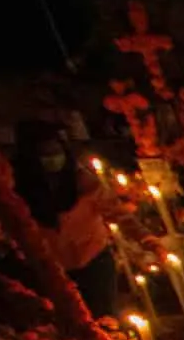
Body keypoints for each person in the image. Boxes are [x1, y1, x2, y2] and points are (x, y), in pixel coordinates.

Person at [11, 121, 116, 317]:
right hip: (52, 268)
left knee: (105, 319)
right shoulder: (20, 192)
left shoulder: (84, 182)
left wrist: (147, 240)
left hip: (93, 262)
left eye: (56, 151)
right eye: (45, 154)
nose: (52, 158)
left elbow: (116, 211)